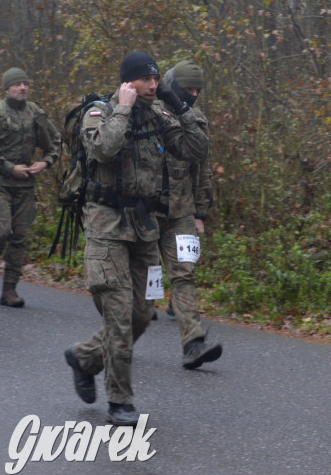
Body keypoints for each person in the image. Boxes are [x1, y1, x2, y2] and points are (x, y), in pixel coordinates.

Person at [63, 51, 209, 426]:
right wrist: (124, 109)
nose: (154, 85)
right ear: (128, 82)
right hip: (106, 230)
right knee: (120, 319)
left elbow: (195, 150)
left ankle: (85, 358)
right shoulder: (100, 112)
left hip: (144, 229)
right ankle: (120, 400)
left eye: (157, 79)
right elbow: (102, 149)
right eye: (146, 80)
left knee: (142, 315)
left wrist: (180, 108)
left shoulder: (159, 115)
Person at [158, 60, 220, 369]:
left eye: (198, 90)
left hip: (180, 212)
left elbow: (202, 170)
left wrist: (201, 214)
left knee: (185, 271)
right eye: (187, 89)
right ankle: (115, 341)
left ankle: (193, 343)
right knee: (144, 281)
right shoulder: (149, 112)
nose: (193, 94)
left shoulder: (196, 120)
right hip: (145, 211)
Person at [0, 68, 61, 307]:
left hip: (25, 186)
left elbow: (55, 141)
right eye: (17, 84)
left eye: (25, 83)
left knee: (20, 237)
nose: (23, 87)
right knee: (0, 231)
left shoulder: (36, 113)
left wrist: (46, 162)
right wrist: (8, 167)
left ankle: (9, 290)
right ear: (6, 89)